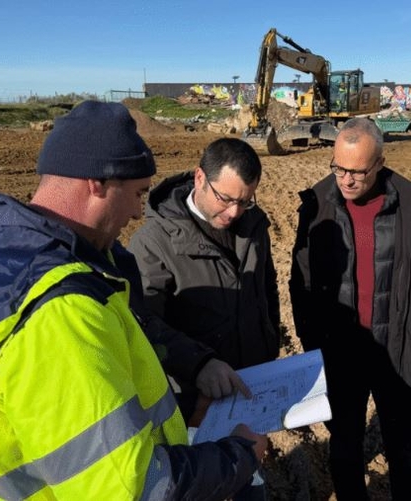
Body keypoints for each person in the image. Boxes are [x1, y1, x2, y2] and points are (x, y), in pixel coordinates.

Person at [0, 101, 267, 500]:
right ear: (97, 183)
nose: (137, 212)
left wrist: (184, 410)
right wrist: (238, 455)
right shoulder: (60, 314)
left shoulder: (10, 256)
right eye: (137, 193)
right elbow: (130, 488)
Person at [289, 117, 411, 500]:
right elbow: (301, 281)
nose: (345, 180)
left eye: (357, 171)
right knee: (344, 446)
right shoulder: (317, 204)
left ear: (379, 163)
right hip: (340, 352)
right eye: (339, 168)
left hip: (397, 352)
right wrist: (312, 340)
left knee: (403, 448)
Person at [128, 137, 280, 499]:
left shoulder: (253, 226)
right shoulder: (153, 243)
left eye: (245, 201)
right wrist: (198, 365)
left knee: (250, 486)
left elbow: (267, 290)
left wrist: (269, 343)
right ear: (199, 178)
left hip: (248, 390)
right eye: (225, 199)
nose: (233, 213)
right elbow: (142, 326)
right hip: (192, 407)